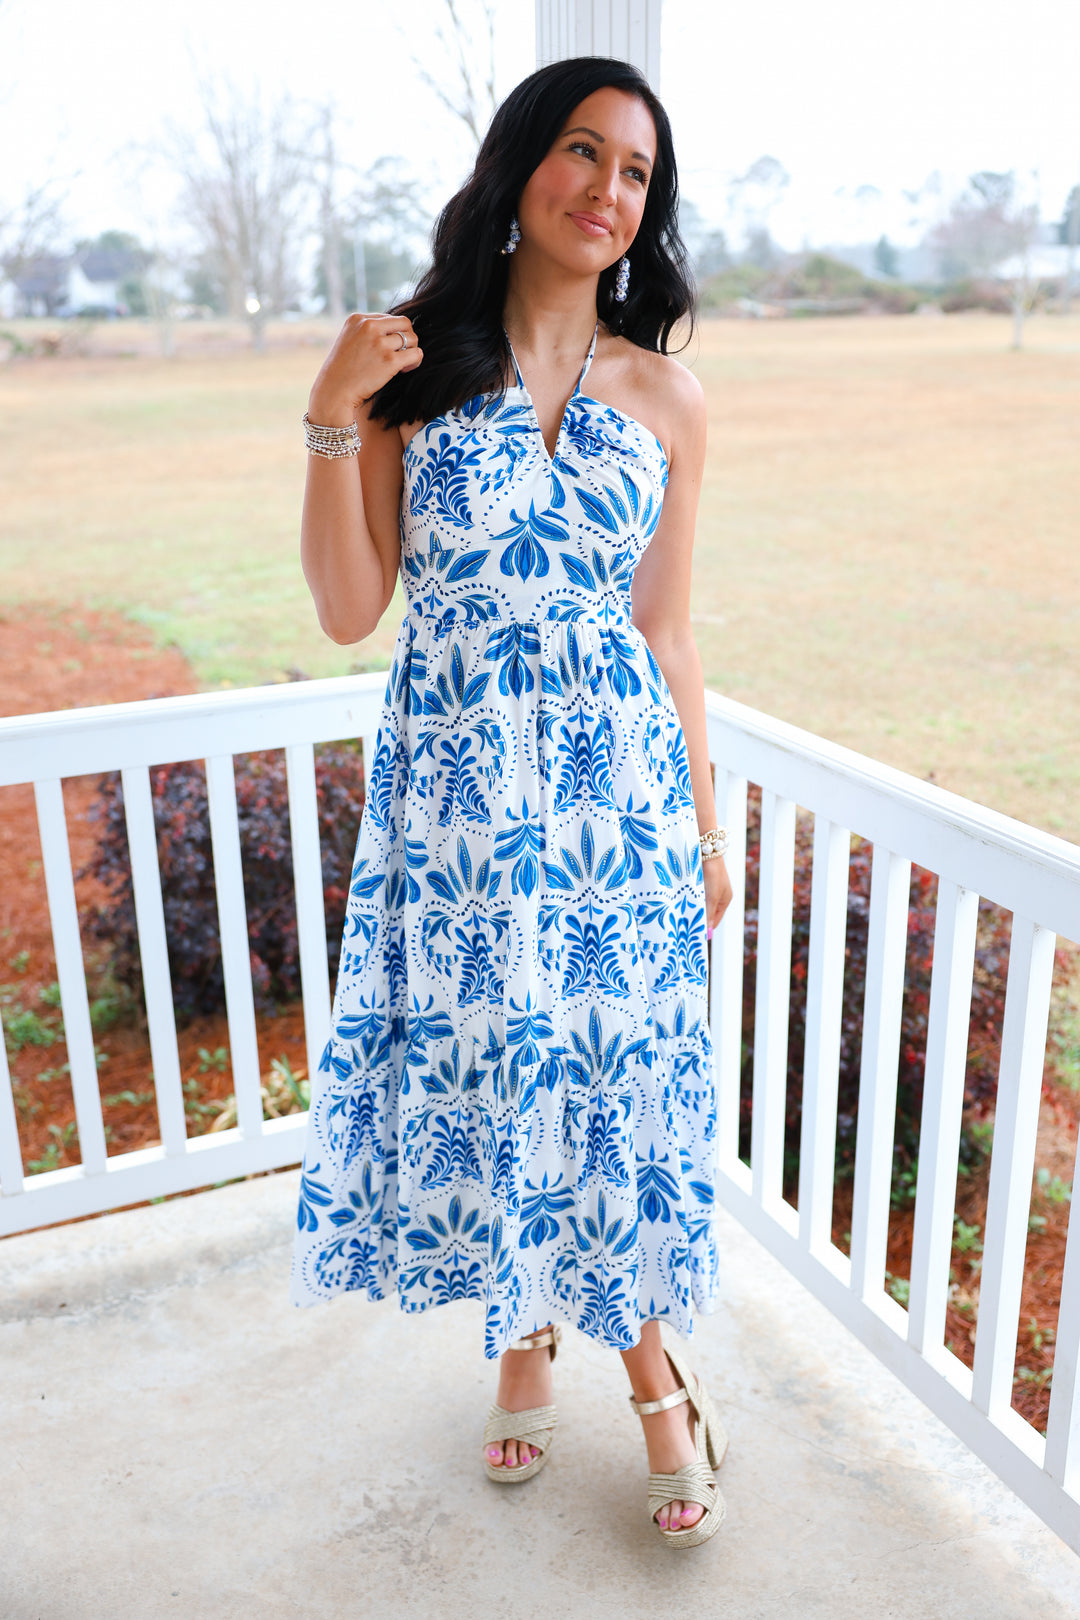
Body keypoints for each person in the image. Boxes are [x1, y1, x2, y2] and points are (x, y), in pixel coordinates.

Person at [289, 54, 734, 1548]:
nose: (609, 192)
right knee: (502, 1083)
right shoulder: (419, 374)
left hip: (619, 816)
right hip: (467, 821)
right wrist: (328, 416)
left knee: (610, 1093)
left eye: (636, 174)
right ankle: (525, 1340)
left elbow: (665, 633)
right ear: (521, 164)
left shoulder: (669, 398)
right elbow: (356, 608)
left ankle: (652, 1383)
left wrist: (705, 819)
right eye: (584, 153)